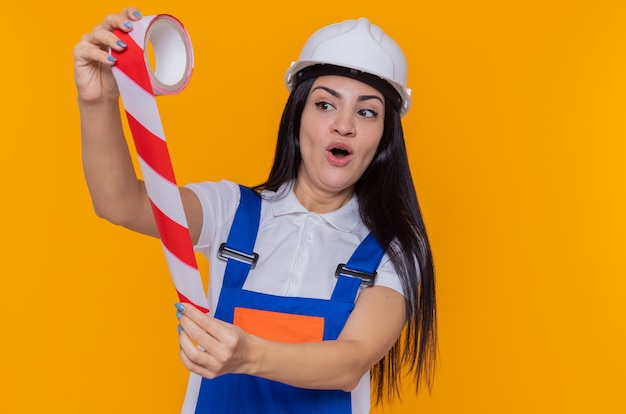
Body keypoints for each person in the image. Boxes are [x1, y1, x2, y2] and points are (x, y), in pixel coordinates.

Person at [74, 7, 437, 413]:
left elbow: (349, 363)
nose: (344, 125)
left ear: (384, 136)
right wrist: (97, 102)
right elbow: (119, 203)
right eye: (325, 105)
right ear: (297, 115)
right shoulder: (232, 210)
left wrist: (248, 356)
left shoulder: (395, 247)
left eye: (366, 111)